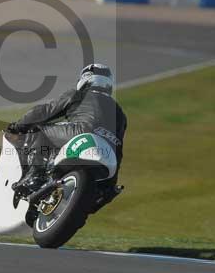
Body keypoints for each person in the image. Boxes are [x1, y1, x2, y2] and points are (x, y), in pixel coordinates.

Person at [7, 63, 127, 196]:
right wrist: (111, 183)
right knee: (103, 193)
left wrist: (18, 126)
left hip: (82, 132)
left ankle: (35, 176)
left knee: (39, 131)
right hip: (109, 151)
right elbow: (119, 148)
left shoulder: (79, 94)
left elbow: (45, 111)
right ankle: (103, 193)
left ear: (86, 78)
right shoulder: (120, 113)